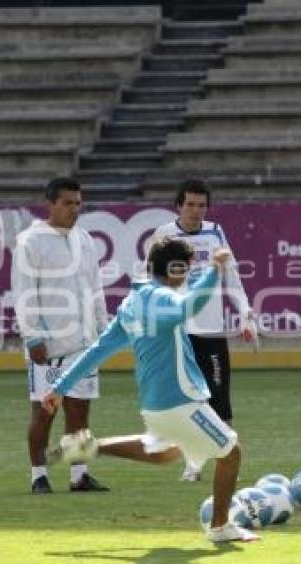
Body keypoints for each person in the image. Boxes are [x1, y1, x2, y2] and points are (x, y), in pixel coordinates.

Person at [42, 238, 260, 543]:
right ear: (174, 270)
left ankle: (90, 446)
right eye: (185, 270)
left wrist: (59, 387)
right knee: (231, 453)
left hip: (155, 404)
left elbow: (98, 350)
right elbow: (190, 306)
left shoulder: (132, 303)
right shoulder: (162, 298)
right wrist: (215, 270)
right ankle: (220, 527)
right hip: (180, 401)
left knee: (165, 454)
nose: (186, 276)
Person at [151, 179, 256, 481]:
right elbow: (153, 280)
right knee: (186, 400)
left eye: (201, 205)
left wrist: (245, 314)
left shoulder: (215, 232)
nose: (196, 211)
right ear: (179, 206)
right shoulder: (164, 234)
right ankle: (193, 463)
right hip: (177, 332)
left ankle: (228, 459)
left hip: (211, 331)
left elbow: (231, 277)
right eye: (190, 205)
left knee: (219, 398)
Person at [11, 177, 109, 494]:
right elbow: (24, 293)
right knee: (44, 411)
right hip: (50, 345)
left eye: (78, 203)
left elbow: (95, 288)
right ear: (50, 204)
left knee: (80, 409)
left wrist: (103, 329)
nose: (74, 209)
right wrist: (33, 337)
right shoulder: (30, 241)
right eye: (67, 203)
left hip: (85, 343)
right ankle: (38, 474)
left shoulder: (85, 240)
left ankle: (78, 475)